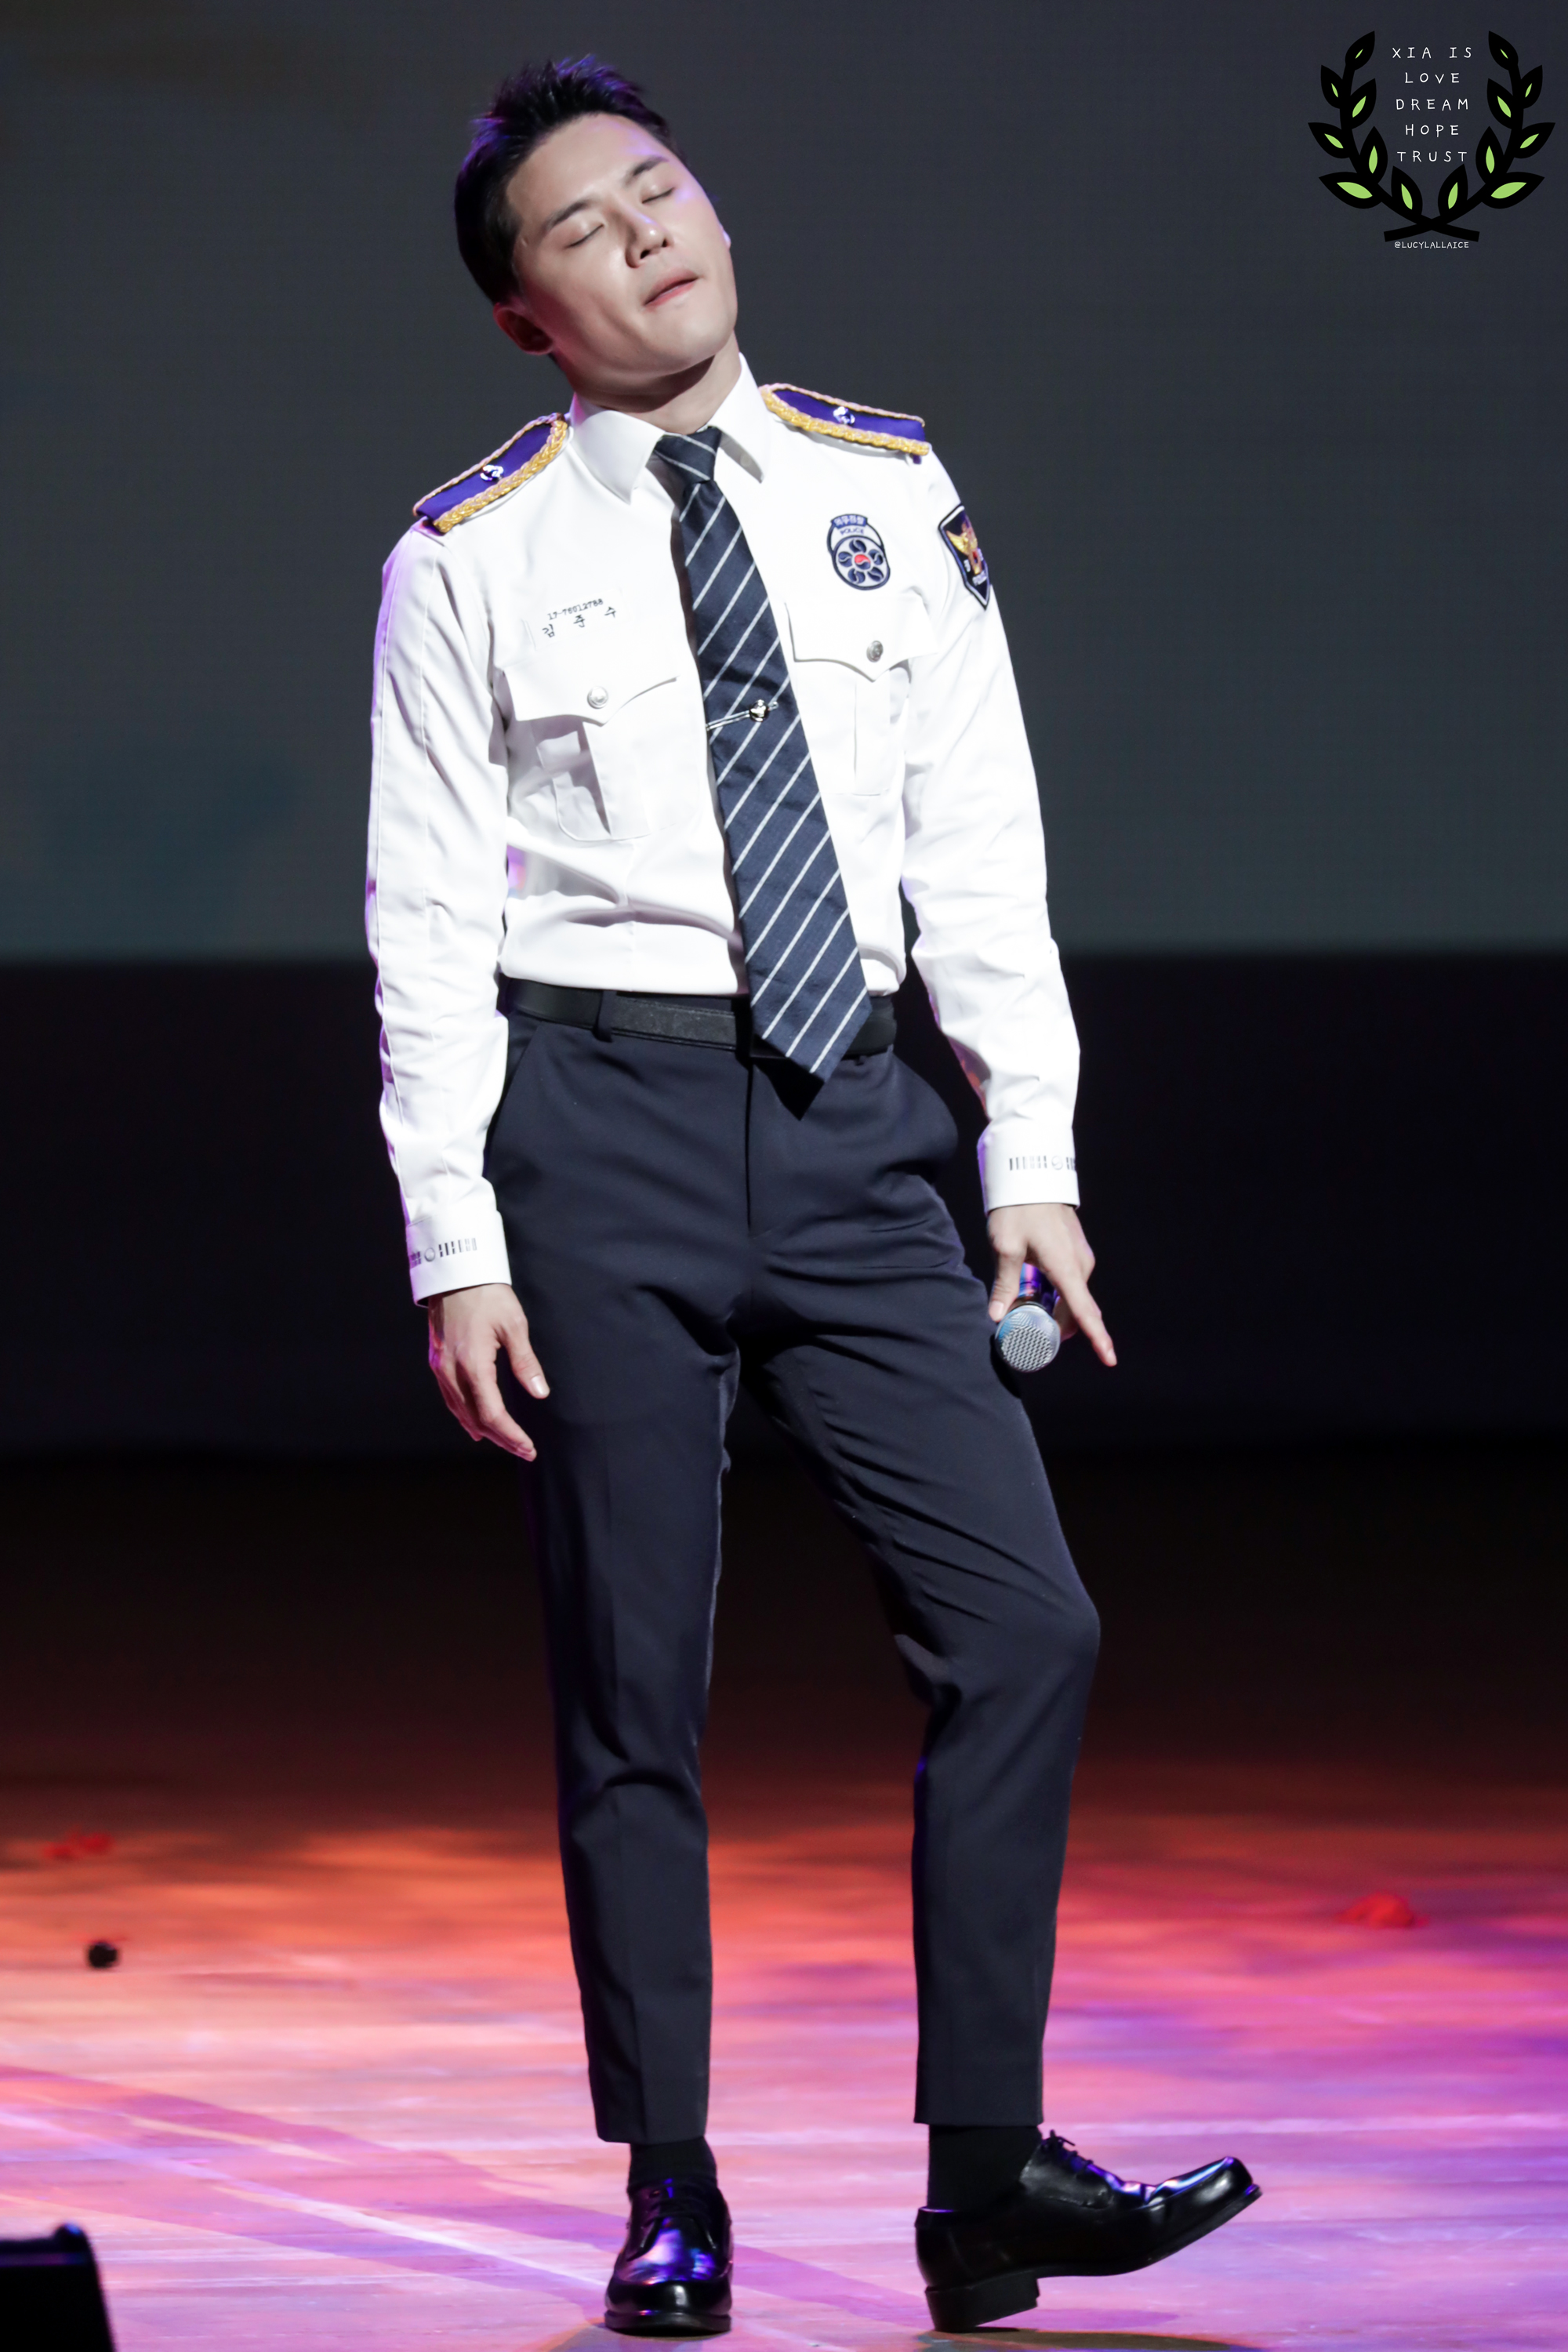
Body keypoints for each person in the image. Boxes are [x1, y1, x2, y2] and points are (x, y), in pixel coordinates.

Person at [367, 55, 1258, 2336]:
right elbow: (424, 922)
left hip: (860, 1125)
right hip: (600, 1128)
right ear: (524, 315)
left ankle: (985, 2181)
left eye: (661, 190)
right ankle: (670, 2182)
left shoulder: (888, 488)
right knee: (633, 1686)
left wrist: (1031, 1154)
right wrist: (458, 1236)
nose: (647, 236)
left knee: (1026, 1626)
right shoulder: (466, 556)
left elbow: (980, 846)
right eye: (583, 227)